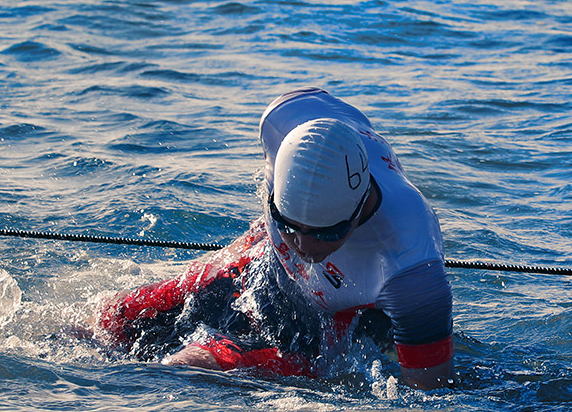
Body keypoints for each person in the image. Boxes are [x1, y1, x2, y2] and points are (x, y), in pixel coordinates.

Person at [92, 88, 454, 390]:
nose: (304, 247)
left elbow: (426, 399)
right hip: (258, 266)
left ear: (359, 211)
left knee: (182, 370)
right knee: (103, 321)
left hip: (316, 333)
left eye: (327, 234)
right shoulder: (284, 118)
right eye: (288, 224)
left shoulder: (411, 273)